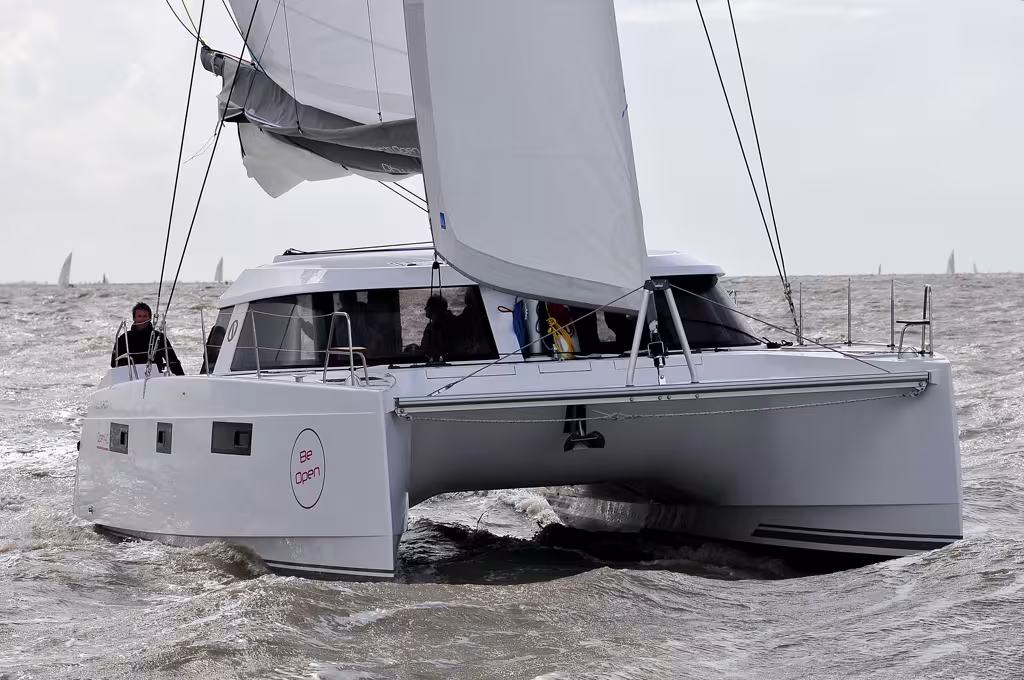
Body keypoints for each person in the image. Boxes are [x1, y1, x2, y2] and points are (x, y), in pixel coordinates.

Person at [111, 302, 185, 376]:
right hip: (129, 378)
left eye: (145, 316)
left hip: (155, 378)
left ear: (150, 318)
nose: (142, 319)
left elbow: (173, 362)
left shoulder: (159, 337)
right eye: (139, 316)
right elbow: (114, 364)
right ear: (134, 318)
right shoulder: (123, 339)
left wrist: (182, 379)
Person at [405, 295, 457, 362]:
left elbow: (436, 350)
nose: (425, 308)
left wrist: (417, 350)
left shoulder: (439, 325)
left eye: (427, 306)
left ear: (434, 308)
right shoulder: (444, 322)